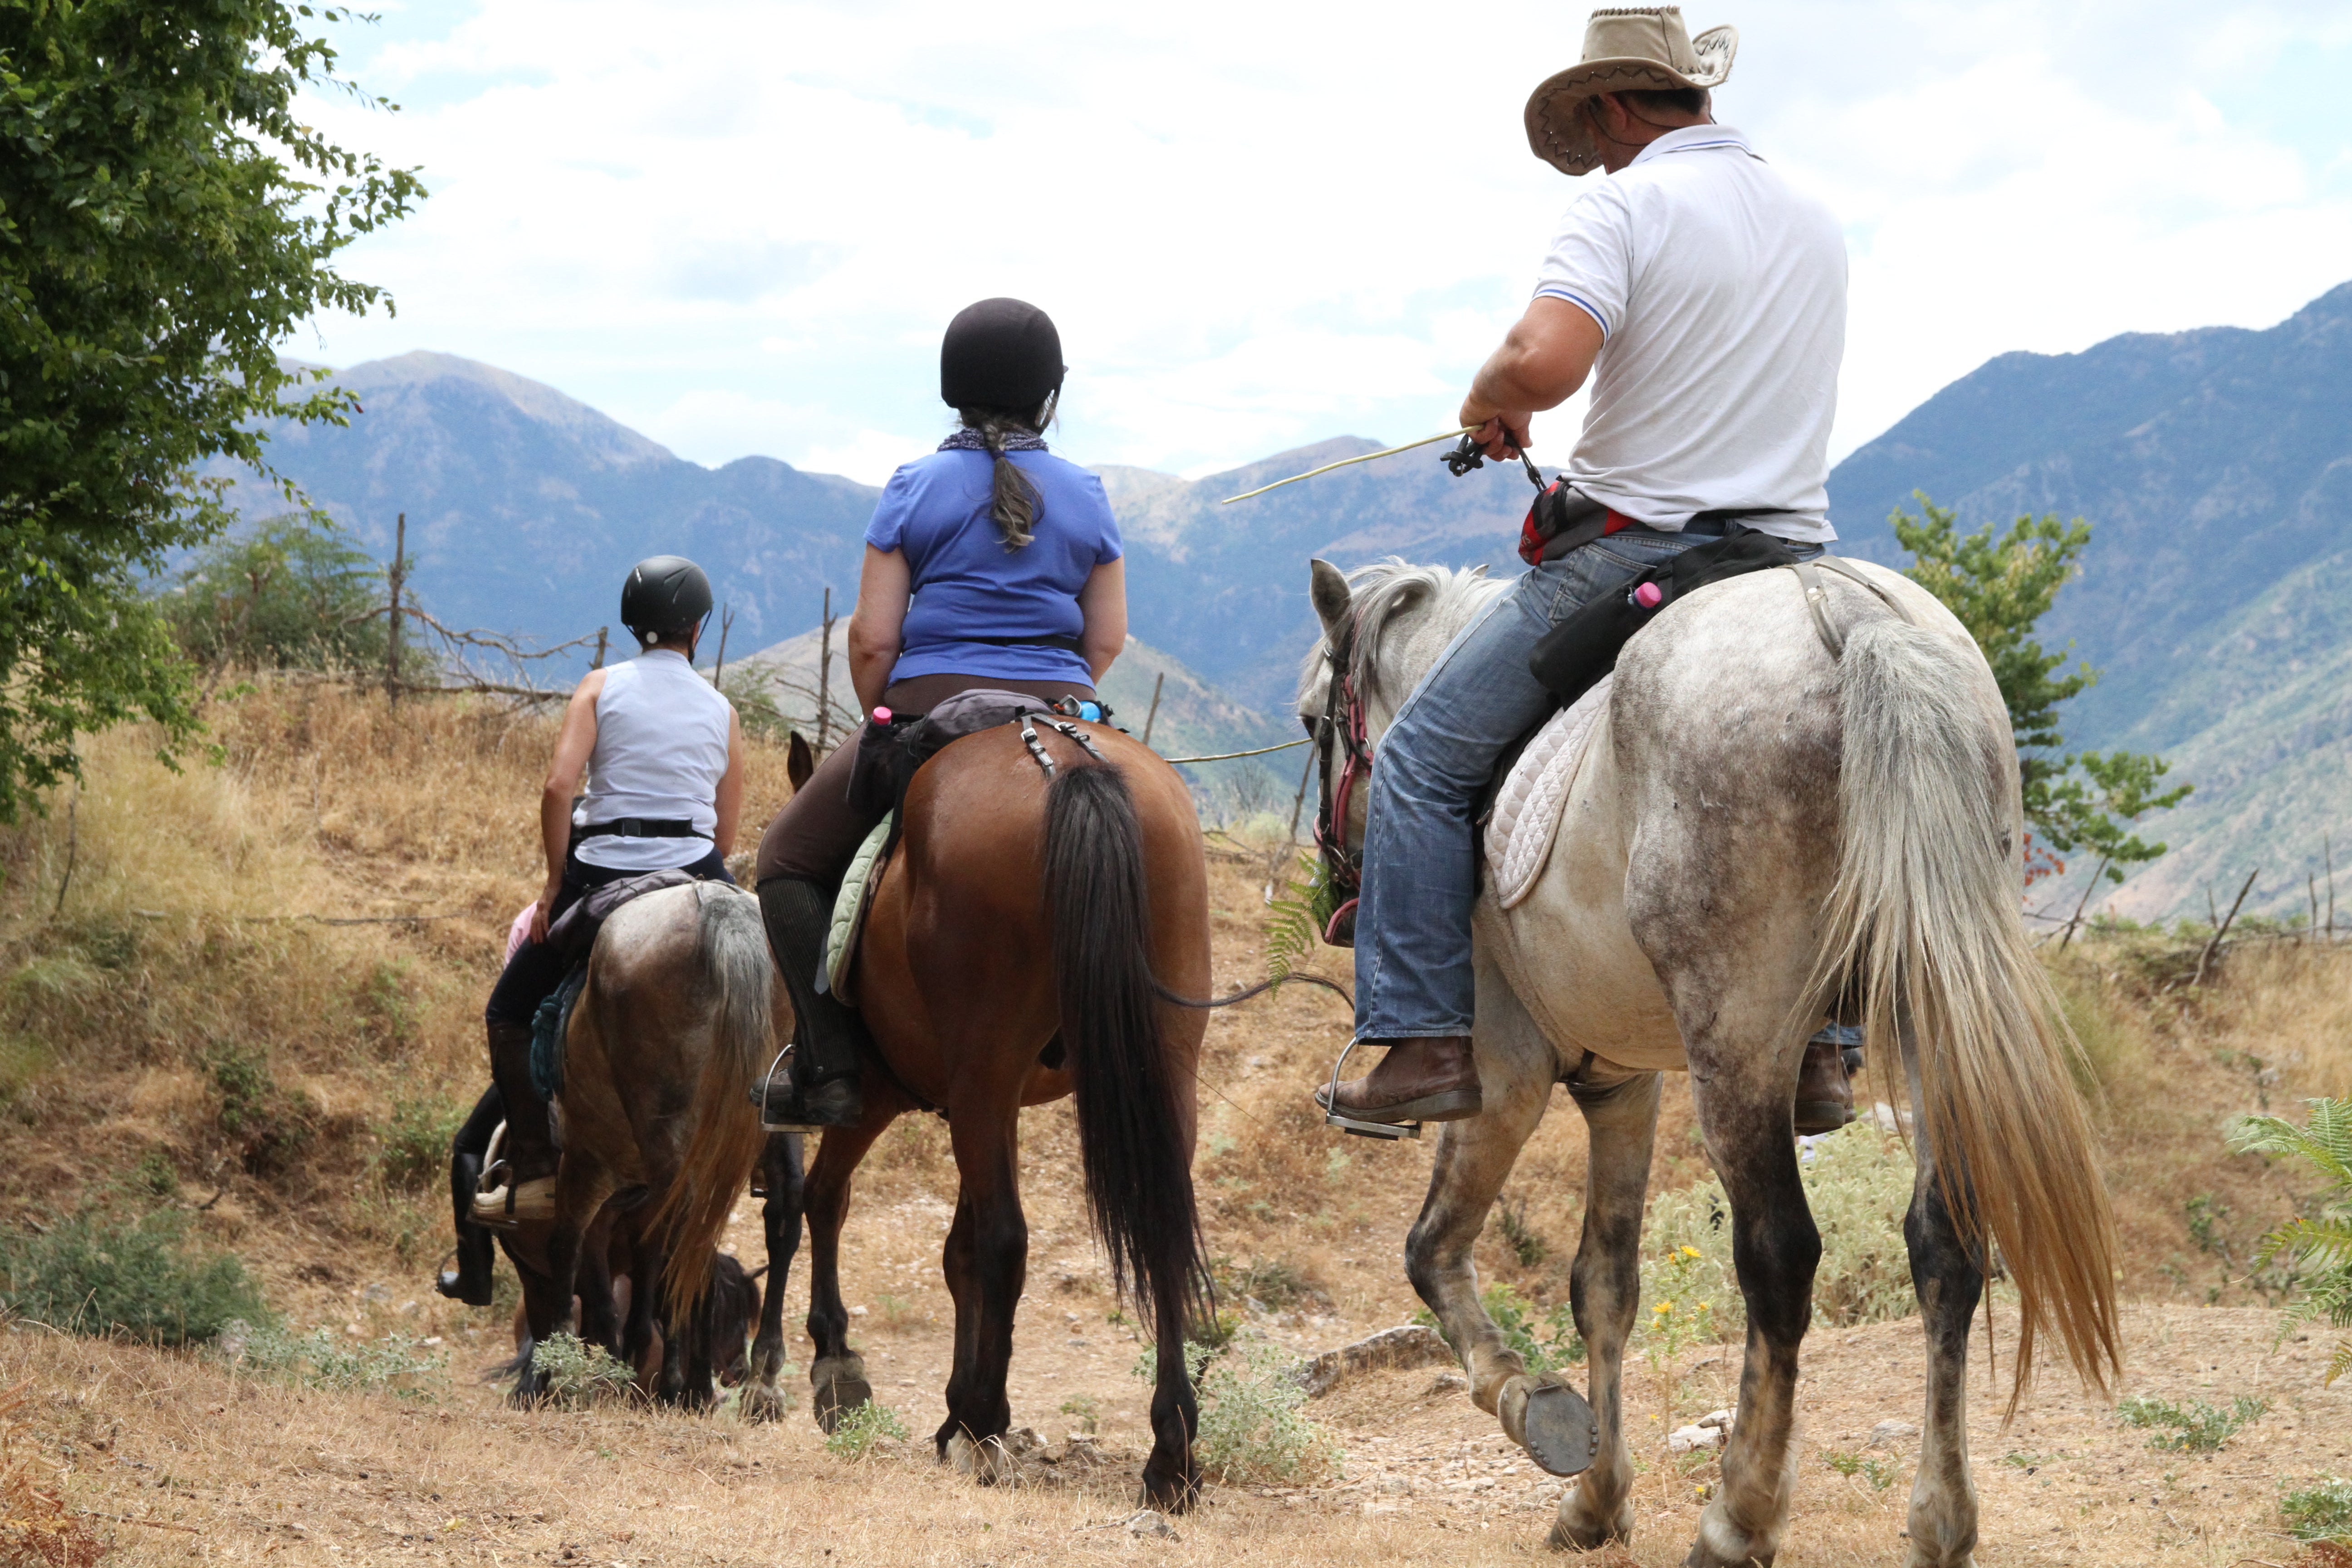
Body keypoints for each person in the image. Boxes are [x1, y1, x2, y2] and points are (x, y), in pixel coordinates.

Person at [1318, 6, 1857, 1133]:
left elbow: (1546, 359)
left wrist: (1490, 397)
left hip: (1644, 554)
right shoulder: (1813, 215)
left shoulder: (1624, 203)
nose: (1598, 151)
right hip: (1793, 556)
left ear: (1614, 105)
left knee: (1418, 764)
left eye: (1594, 128)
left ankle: (1422, 1041)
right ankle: (1826, 1044)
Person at [751, 297, 1127, 1131]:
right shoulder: (1087, 492)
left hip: (931, 706)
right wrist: (1057, 690)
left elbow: (874, 640)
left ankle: (830, 1065)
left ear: (954, 390)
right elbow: (1109, 635)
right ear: (1047, 396)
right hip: (1064, 706)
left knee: (783, 862)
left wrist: (884, 721)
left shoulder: (914, 485)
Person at [438, 556, 745, 1303]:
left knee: (509, 1011)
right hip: (697, 869)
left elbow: (557, 786)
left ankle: (537, 1158)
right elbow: (729, 826)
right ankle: (783, 1119)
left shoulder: (599, 686)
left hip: (604, 867)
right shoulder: (721, 709)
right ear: (698, 629)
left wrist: (554, 884)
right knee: (765, 976)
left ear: (631, 624)